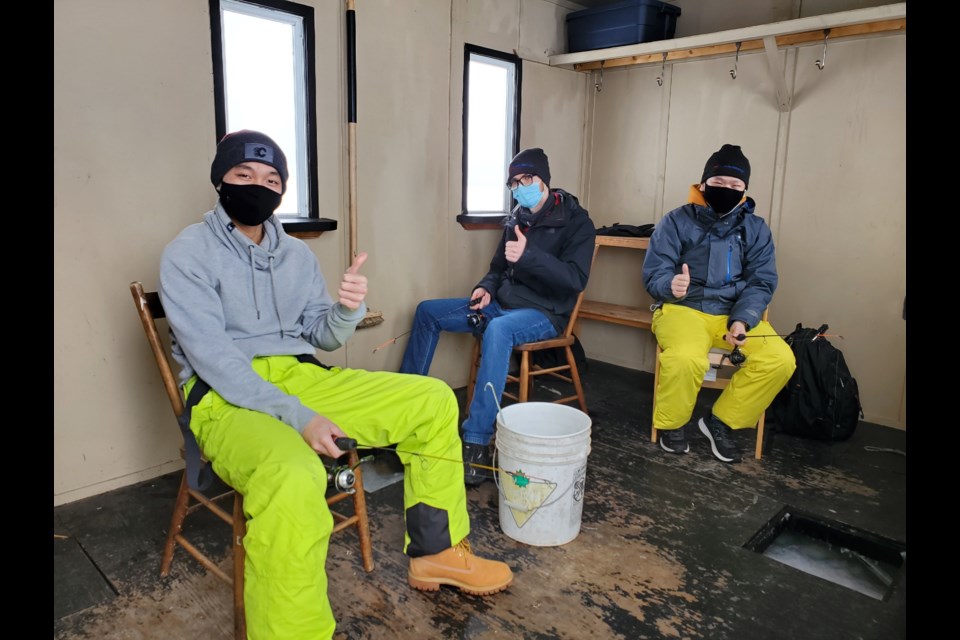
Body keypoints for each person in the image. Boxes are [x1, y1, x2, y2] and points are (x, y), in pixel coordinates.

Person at [159, 130, 513, 639]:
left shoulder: (295, 256)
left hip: (303, 377)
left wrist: (346, 310)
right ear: (220, 180)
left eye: (271, 179)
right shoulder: (188, 253)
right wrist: (298, 418)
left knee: (433, 399)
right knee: (292, 471)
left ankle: (437, 553)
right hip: (223, 397)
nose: (258, 186)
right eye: (244, 175)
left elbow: (321, 338)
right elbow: (215, 360)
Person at [399, 148, 596, 485]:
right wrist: (485, 287)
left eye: (526, 179)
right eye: (514, 182)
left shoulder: (577, 222)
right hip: (502, 303)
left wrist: (529, 254)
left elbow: (574, 280)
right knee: (428, 311)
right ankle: (400, 409)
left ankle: (475, 442)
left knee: (499, 331)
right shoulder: (516, 217)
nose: (520, 187)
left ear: (544, 180)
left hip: (545, 313)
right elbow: (497, 268)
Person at [642, 144, 796, 463]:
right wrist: (670, 284)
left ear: (744, 190)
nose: (727, 189)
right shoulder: (675, 221)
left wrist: (743, 319)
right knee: (686, 358)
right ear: (703, 184)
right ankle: (672, 424)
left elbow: (761, 280)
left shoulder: (756, 229)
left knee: (780, 360)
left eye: (735, 185)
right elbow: (655, 270)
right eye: (720, 182)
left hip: (732, 314)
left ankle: (720, 421)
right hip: (682, 309)